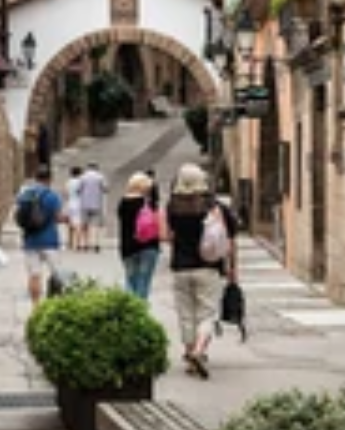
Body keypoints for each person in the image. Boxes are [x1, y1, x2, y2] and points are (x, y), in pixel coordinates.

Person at [162, 163, 233, 380]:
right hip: (208, 267)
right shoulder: (214, 207)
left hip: (181, 267)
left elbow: (167, 236)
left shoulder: (172, 207)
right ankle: (199, 351)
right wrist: (230, 267)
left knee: (186, 313)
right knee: (207, 313)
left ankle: (189, 351)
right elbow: (226, 237)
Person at [16, 166, 65, 304]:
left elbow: (19, 214)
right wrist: (65, 219)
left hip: (30, 240)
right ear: (49, 179)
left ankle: (35, 307)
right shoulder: (52, 196)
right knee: (57, 274)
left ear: (35, 177)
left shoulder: (25, 194)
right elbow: (57, 217)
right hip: (49, 240)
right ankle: (56, 304)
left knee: (34, 275)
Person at [118, 173, 162, 301]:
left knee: (130, 279)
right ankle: (141, 309)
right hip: (148, 245)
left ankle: (131, 310)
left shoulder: (122, 203)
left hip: (127, 247)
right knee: (144, 281)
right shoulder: (148, 203)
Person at [78, 163, 108, 253]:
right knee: (96, 225)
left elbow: (79, 190)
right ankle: (96, 244)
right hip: (97, 203)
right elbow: (106, 189)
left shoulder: (82, 177)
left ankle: (85, 244)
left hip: (85, 204)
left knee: (85, 225)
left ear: (88, 168)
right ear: (96, 168)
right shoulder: (100, 177)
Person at [65, 166, 85, 252]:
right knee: (78, 224)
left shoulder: (68, 182)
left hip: (70, 203)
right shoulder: (81, 182)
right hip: (78, 203)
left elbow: (65, 193)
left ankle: (70, 242)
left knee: (70, 224)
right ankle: (78, 243)